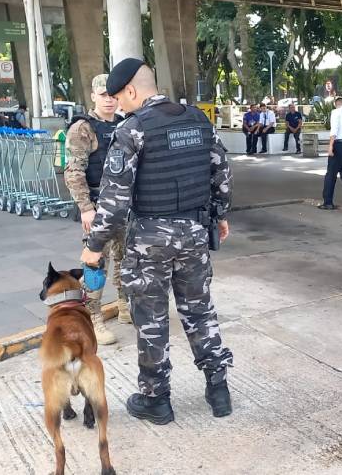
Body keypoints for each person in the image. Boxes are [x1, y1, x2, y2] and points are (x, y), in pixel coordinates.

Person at [81, 58, 234, 424]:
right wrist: (219, 215)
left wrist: (95, 244)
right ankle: (219, 388)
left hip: (149, 240)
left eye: (119, 98)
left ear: (131, 91)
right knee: (200, 310)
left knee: (151, 318)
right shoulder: (198, 120)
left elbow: (114, 200)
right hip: (195, 234)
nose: (118, 106)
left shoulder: (132, 130)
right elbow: (222, 173)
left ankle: (156, 399)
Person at [64, 74, 129, 345]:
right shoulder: (82, 128)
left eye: (113, 95)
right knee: (95, 264)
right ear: (93, 96)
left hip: (125, 206)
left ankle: (126, 307)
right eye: (104, 95)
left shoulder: (126, 125)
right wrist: (86, 208)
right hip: (98, 207)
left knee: (127, 260)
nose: (109, 100)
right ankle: (94, 317)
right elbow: (73, 171)